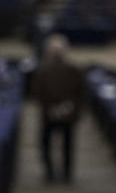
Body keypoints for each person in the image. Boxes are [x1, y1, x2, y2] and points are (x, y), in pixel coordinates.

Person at [31, 34, 85, 183]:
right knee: (67, 145)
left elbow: (36, 94)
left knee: (47, 144)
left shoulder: (43, 70)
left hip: (51, 114)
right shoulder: (73, 69)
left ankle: (50, 173)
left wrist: (52, 109)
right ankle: (66, 174)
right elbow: (80, 94)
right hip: (66, 113)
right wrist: (69, 109)